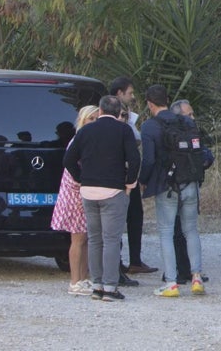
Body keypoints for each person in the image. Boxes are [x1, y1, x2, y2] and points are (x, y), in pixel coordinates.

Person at [62, 94, 141, 302]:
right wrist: (129, 183)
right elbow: (134, 159)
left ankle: (96, 285)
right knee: (111, 240)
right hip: (113, 191)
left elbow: (68, 158)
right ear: (118, 112)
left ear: (100, 111)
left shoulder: (86, 130)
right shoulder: (124, 130)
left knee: (95, 239)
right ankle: (110, 287)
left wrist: (80, 179)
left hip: (88, 191)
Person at [139, 85, 206, 298]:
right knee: (191, 230)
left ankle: (171, 282)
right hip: (190, 182)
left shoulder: (150, 126)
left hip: (166, 185)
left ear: (149, 103)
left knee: (166, 232)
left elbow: (148, 160)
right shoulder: (185, 121)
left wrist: (143, 181)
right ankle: (197, 277)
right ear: (168, 100)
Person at [108, 76, 155, 279]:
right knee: (118, 218)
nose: (132, 96)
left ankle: (135, 260)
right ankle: (116, 262)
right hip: (120, 174)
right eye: (129, 93)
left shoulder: (128, 116)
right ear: (119, 94)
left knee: (135, 215)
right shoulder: (115, 117)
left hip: (130, 173)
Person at [52, 104, 99, 296]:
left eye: (97, 119)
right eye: (91, 119)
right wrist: (82, 181)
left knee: (85, 238)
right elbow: (71, 166)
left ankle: (83, 277)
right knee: (78, 238)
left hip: (84, 193)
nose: (94, 123)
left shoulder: (89, 140)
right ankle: (74, 281)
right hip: (75, 194)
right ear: (83, 120)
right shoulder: (78, 140)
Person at [169, 98, 214, 285]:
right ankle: (191, 272)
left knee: (176, 230)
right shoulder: (187, 134)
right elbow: (207, 157)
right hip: (187, 187)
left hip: (175, 187)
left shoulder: (173, 134)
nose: (193, 118)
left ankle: (177, 272)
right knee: (186, 230)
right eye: (189, 114)